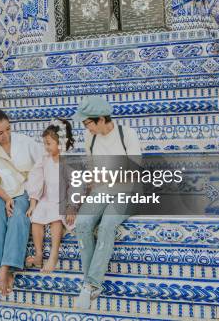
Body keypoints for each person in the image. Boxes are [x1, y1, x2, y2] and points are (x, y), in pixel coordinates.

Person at [69, 96, 142, 309]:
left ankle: (90, 285)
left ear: (100, 119)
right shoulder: (90, 138)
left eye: (87, 123)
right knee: (82, 224)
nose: (86, 128)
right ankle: (91, 284)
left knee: (108, 224)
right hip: (102, 190)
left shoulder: (126, 134)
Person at [0, 108, 43, 296]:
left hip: (26, 190)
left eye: (8, 129)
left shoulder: (25, 142)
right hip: (2, 193)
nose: (6, 135)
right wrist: (6, 199)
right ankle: (3, 268)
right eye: (0, 133)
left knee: (19, 216)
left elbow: (45, 164)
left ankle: (4, 268)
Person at [24, 118, 75, 273]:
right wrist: (33, 203)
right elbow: (36, 179)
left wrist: (72, 206)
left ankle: (53, 255)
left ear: (60, 143)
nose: (45, 147)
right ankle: (39, 255)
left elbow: (76, 184)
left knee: (56, 218)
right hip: (46, 199)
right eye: (44, 143)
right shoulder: (44, 160)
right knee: (36, 219)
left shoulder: (67, 162)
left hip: (62, 200)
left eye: (49, 143)